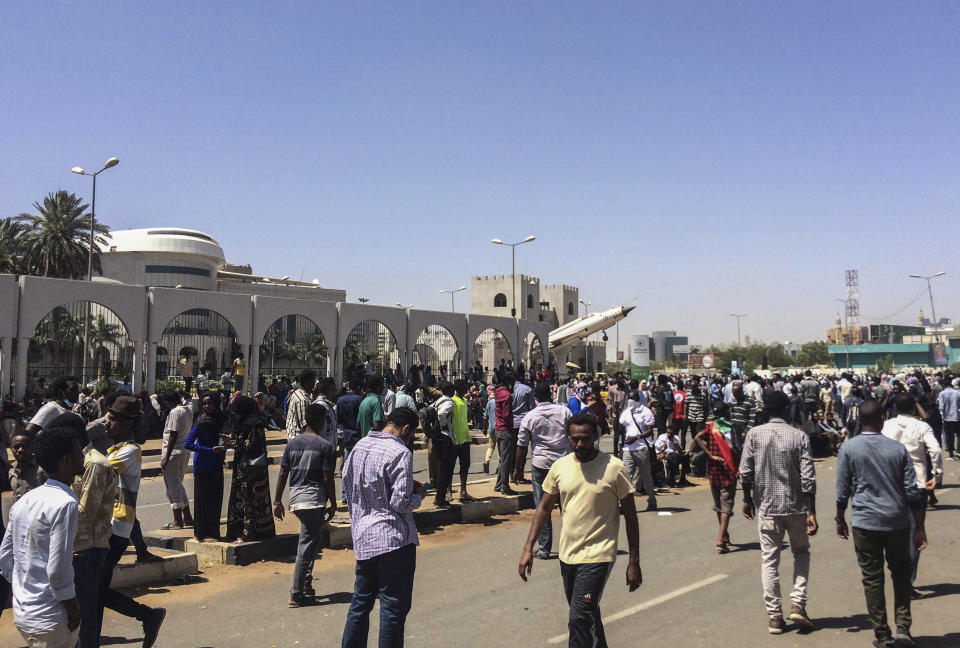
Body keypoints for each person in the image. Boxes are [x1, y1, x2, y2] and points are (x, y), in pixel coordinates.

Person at [518, 412, 641, 648]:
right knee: (588, 616)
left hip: (599, 555)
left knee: (578, 619)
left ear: (596, 435)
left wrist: (633, 561)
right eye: (574, 439)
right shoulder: (560, 467)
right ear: (568, 437)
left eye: (585, 438)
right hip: (568, 555)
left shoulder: (614, 468)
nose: (580, 444)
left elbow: (632, 518)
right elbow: (544, 508)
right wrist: (527, 548)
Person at [836, 399, 926, 648]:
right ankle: (903, 627)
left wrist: (839, 517)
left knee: (872, 578)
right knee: (901, 572)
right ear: (881, 419)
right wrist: (919, 526)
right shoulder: (897, 450)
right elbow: (912, 492)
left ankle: (882, 635)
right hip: (897, 521)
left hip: (865, 522)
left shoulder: (849, 449)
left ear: (861, 420)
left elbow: (842, 490)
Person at [341, 407, 425, 648]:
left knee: (360, 603)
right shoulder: (400, 452)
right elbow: (400, 502)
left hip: (364, 538)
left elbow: (349, 484)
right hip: (393, 541)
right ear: (406, 430)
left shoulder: (360, 446)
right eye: (411, 435)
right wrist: (419, 495)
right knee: (392, 609)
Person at [739, 391, 817, 634]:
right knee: (801, 552)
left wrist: (746, 498)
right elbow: (808, 478)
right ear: (786, 410)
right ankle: (797, 603)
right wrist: (812, 511)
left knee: (769, 559)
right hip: (795, 506)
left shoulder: (754, 434)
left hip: (767, 507)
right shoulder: (799, 436)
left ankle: (774, 616)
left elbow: (744, 471)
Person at [0, 427, 84, 648]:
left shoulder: (27, 500)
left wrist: (23, 590)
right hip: (51, 618)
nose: (83, 455)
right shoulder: (65, 503)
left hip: (24, 613)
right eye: (79, 452)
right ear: (67, 461)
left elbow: (5, 557)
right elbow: (58, 569)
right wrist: (73, 609)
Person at [99, 396, 166, 648]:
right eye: (108, 418)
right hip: (104, 525)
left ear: (128, 425)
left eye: (113, 420)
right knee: (97, 586)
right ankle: (147, 616)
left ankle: (148, 615)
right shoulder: (113, 449)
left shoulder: (130, 451)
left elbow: (100, 470)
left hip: (117, 525)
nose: (107, 424)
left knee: (96, 586)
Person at [52, 412, 116, 648]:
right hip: (74, 546)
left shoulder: (94, 464)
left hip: (88, 548)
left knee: (85, 615)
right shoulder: (69, 463)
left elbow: (84, 511)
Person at [274, 403, 337, 607]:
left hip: (296, 498)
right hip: (313, 500)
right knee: (306, 546)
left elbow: (283, 473)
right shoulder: (325, 447)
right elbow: (328, 478)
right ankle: (296, 592)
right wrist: (334, 503)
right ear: (320, 422)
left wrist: (277, 501)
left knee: (311, 541)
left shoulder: (292, 444)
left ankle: (306, 583)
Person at [880, 393, 941, 596]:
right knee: (916, 532)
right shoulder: (921, 426)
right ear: (914, 408)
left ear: (895, 407)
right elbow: (936, 449)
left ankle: (898, 573)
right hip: (917, 483)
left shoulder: (887, 426)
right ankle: (906, 580)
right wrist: (936, 475)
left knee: (894, 532)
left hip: (891, 483)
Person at [515, 381, 571, 559]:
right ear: (550, 394)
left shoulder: (530, 416)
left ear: (535, 397)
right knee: (568, 507)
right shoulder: (564, 411)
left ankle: (545, 549)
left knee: (543, 507)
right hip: (564, 464)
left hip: (541, 465)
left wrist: (518, 469)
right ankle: (572, 543)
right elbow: (573, 434)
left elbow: (522, 445)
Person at [225, 395, 276, 543]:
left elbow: (251, 446)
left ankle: (248, 533)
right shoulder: (243, 423)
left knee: (250, 500)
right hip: (242, 466)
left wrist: (232, 441)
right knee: (242, 498)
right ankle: (240, 531)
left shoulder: (255, 424)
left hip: (252, 470)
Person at [694, 405, 738, 553]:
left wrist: (710, 455)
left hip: (713, 472)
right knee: (726, 507)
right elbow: (737, 448)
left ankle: (724, 535)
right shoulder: (732, 428)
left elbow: (697, 438)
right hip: (728, 471)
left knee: (719, 506)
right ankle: (720, 540)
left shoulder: (710, 428)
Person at [184, 391, 227, 541]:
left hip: (216, 464)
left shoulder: (221, 419)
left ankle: (213, 532)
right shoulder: (200, 421)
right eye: (204, 403)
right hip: (203, 464)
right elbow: (188, 444)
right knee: (202, 500)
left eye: (209, 403)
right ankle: (202, 533)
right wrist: (209, 450)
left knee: (215, 499)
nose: (206, 406)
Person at [159, 390, 195, 530]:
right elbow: (190, 398)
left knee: (171, 488)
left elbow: (173, 434)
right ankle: (187, 517)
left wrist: (166, 458)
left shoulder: (175, 412)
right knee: (178, 486)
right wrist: (185, 392)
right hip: (184, 452)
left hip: (173, 453)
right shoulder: (189, 409)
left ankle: (177, 520)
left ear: (169, 402)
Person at [619, 390, 657, 511]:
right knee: (627, 476)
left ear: (637, 400)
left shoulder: (646, 412)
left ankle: (652, 501)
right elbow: (621, 426)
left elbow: (650, 431)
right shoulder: (626, 412)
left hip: (642, 448)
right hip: (628, 449)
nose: (630, 401)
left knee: (646, 476)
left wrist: (636, 437)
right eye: (628, 399)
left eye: (632, 399)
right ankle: (623, 505)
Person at [451, 380, 475, 502]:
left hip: (465, 438)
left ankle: (463, 491)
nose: (466, 390)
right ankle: (448, 491)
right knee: (450, 466)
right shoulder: (452, 401)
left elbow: (468, 417)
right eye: (464, 388)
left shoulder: (464, 401)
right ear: (458, 389)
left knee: (465, 465)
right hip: (454, 439)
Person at [494, 374, 517, 494]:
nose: (513, 385)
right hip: (506, 429)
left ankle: (499, 485)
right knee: (507, 460)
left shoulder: (497, 393)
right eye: (512, 382)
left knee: (503, 459)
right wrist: (511, 430)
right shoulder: (507, 395)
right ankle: (504, 486)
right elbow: (506, 415)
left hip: (498, 428)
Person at [9, 429, 46, 501]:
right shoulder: (11, 470)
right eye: (16, 447)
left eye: (25, 446)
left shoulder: (42, 469)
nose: (20, 450)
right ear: (11, 448)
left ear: (33, 447)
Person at [286, 370, 316, 440]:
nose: (314, 383)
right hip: (299, 438)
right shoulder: (303, 399)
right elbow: (305, 426)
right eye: (313, 380)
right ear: (307, 381)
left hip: (293, 436)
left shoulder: (297, 393)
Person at [936, 377, 960, 460]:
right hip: (957, 417)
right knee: (959, 435)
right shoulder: (957, 393)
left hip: (947, 418)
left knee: (949, 436)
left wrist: (942, 415)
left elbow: (941, 407)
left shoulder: (942, 394)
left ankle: (951, 454)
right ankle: (958, 451)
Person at [357, 374, 384, 439]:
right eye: (381, 384)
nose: (383, 386)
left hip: (364, 440)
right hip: (374, 441)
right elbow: (376, 426)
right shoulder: (376, 401)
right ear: (377, 386)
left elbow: (358, 425)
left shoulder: (364, 401)